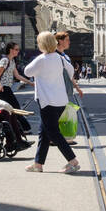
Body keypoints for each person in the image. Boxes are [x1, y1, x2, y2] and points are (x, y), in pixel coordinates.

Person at [23, 31, 79, 173]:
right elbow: (71, 71)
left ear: (42, 44)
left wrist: (39, 72)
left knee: (53, 133)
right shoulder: (59, 58)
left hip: (47, 102)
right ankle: (38, 164)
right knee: (44, 132)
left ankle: (73, 161)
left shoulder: (41, 59)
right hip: (60, 101)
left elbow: (27, 72)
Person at [0, 42, 33, 146]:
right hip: (4, 89)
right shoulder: (5, 60)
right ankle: (25, 129)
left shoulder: (12, 61)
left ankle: (16, 136)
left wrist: (30, 82)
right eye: (16, 49)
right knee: (15, 109)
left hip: (7, 89)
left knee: (11, 112)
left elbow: (17, 76)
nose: (18, 51)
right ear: (10, 50)